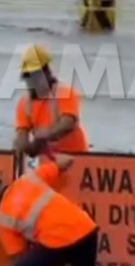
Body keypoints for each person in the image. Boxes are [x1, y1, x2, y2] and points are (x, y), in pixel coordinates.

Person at [12, 45, 89, 177]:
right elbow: (22, 135)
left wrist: (45, 136)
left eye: (35, 76)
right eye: (28, 77)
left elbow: (68, 123)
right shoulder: (24, 103)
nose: (31, 82)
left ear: (47, 72)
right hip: (47, 162)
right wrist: (22, 145)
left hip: (75, 158)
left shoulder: (64, 93)